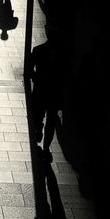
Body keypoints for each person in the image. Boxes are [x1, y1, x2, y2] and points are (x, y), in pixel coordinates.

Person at [30, 26, 69, 159]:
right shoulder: (39, 50)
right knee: (39, 117)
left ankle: (46, 146)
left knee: (51, 121)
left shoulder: (61, 53)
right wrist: (36, 79)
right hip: (44, 90)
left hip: (52, 92)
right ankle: (39, 131)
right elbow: (30, 69)